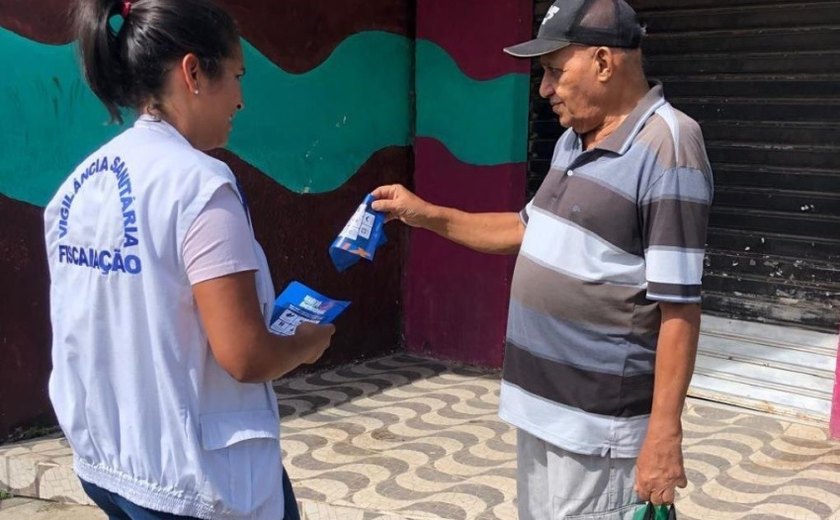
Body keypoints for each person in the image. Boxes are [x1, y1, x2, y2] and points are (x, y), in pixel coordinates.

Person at [371, 0, 713, 518]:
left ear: (603, 62)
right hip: (542, 413)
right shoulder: (573, 141)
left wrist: (664, 437)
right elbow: (525, 230)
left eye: (555, 71)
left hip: (599, 431)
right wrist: (425, 214)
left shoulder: (670, 147)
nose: (545, 89)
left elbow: (679, 307)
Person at [43, 0, 336, 518]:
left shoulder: (75, 188)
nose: (242, 100)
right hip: (196, 481)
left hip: (110, 463)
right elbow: (246, 356)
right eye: (238, 76)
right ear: (194, 71)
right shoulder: (202, 187)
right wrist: (305, 346)